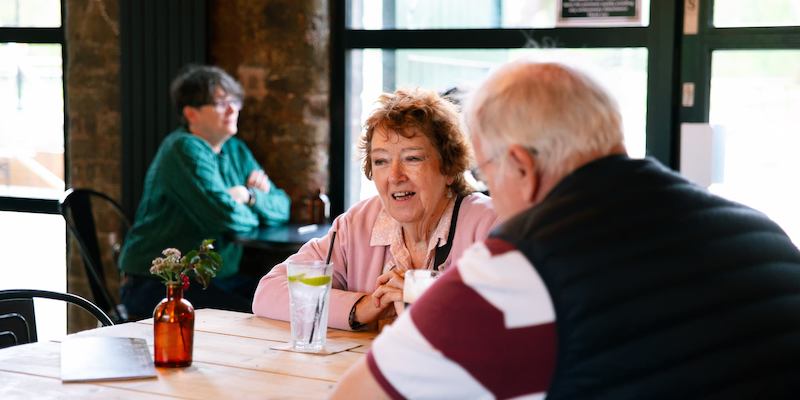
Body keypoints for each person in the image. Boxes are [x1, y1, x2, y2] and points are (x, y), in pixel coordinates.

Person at [332, 61, 800, 399]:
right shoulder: (765, 236)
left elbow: (357, 397)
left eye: (490, 175)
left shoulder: (523, 269)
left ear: (521, 167)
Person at [252, 88, 497, 330]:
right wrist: (363, 306)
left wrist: (426, 301)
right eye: (380, 161)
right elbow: (269, 293)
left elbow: (513, 324)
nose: (394, 176)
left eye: (412, 158)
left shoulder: (489, 225)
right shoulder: (357, 224)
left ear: (450, 169)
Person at [119, 65, 291, 319]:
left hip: (216, 279)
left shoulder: (235, 149)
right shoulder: (183, 149)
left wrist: (247, 196)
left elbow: (282, 206)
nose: (233, 109)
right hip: (162, 284)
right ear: (191, 113)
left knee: (286, 304)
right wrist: (248, 210)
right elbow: (226, 217)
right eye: (221, 103)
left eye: (234, 101)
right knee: (260, 318)